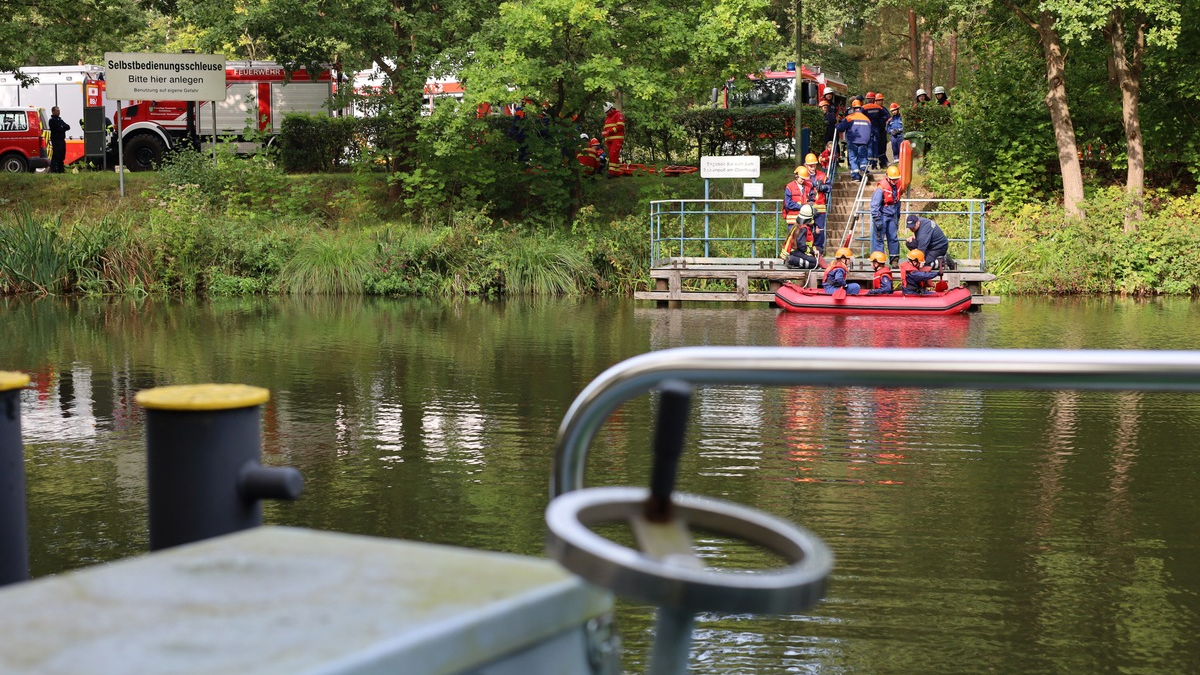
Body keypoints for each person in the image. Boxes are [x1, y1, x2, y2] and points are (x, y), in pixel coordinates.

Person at [870, 165, 904, 265]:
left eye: (896, 179)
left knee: (893, 237)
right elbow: (874, 205)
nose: (894, 181)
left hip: (892, 215)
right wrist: (877, 220)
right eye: (893, 179)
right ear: (887, 177)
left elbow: (897, 202)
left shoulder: (898, 186)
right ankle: (879, 261)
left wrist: (897, 216)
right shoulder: (881, 188)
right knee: (879, 239)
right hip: (882, 216)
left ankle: (894, 260)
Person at [835, 98, 872, 181]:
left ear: (853, 108)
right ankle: (864, 170)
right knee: (862, 157)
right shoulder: (867, 118)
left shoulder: (850, 117)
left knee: (853, 157)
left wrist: (836, 125)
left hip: (853, 140)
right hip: (864, 141)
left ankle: (855, 175)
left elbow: (841, 128)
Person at [802, 152, 831, 255]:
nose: (813, 168)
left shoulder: (822, 176)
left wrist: (822, 187)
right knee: (807, 229)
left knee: (820, 231)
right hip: (808, 208)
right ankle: (807, 250)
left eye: (814, 165)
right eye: (810, 166)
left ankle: (819, 251)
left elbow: (829, 187)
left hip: (820, 207)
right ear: (805, 165)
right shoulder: (803, 176)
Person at [784, 204, 820, 270]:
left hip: (797, 249)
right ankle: (792, 260)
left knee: (820, 250)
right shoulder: (803, 228)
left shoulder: (800, 225)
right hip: (796, 250)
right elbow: (801, 245)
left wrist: (815, 234)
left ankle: (794, 259)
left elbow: (807, 240)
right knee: (814, 263)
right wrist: (812, 251)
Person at [861, 92, 886, 170]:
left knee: (869, 146)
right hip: (876, 128)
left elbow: (859, 116)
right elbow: (886, 116)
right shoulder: (879, 107)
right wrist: (880, 122)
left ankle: (869, 163)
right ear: (874, 99)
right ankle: (874, 164)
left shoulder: (863, 108)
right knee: (875, 145)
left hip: (867, 128)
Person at [601, 101, 625, 174]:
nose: (607, 113)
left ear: (611, 109)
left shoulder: (618, 115)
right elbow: (606, 129)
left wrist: (609, 132)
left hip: (617, 139)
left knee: (613, 154)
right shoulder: (607, 119)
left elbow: (620, 126)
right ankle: (616, 172)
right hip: (609, 140)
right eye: (606, 112)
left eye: (608, 111)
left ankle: (611, 172)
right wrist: (606, 137)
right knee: (614, 156)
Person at [49, 106, 70, 174]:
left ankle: (61, 170)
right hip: (56, 140)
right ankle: (54, 170)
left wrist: (62, 127)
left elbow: (68, 126)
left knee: (61, 155)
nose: (59, 112)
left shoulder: (60, 120)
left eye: (59, 110)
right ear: (53, 111)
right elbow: (58, 129)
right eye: (57, 111)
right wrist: (62, 127)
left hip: (62, 140)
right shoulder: (52, 120)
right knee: (56, 155)